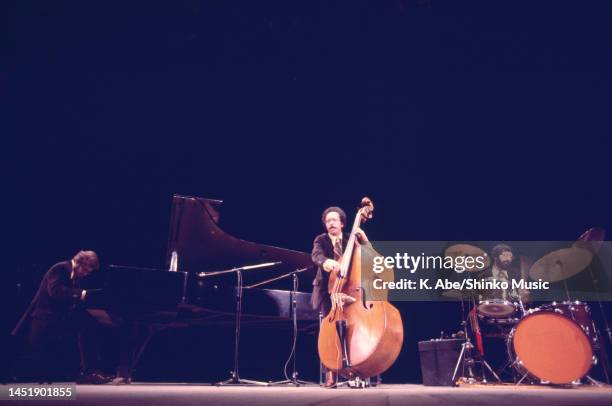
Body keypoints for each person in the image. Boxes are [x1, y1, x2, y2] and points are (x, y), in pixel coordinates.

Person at [11, 250, 111, 384]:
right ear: (79, 263)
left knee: (89, 324)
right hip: (45, 317)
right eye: (86, 270)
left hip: (60, 317)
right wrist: (82, 293)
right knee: (35, 354)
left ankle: (88, 371)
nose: (86, 274)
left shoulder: (75, 275)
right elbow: (55, 291)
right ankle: (86, 371)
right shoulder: (60, 269)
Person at [311, 206, 368, 388]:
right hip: (327, 292)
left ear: (342, 223)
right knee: (329, 332)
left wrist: (365, 241)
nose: (331, 223)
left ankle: (356, 369)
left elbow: (367, 256)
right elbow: (317, 255)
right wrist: (329, 263)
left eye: (334, 220)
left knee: (353, 329)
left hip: (350, 289)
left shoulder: (352, 239)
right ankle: (330, 373)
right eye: (328, 221)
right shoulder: (321, 239)